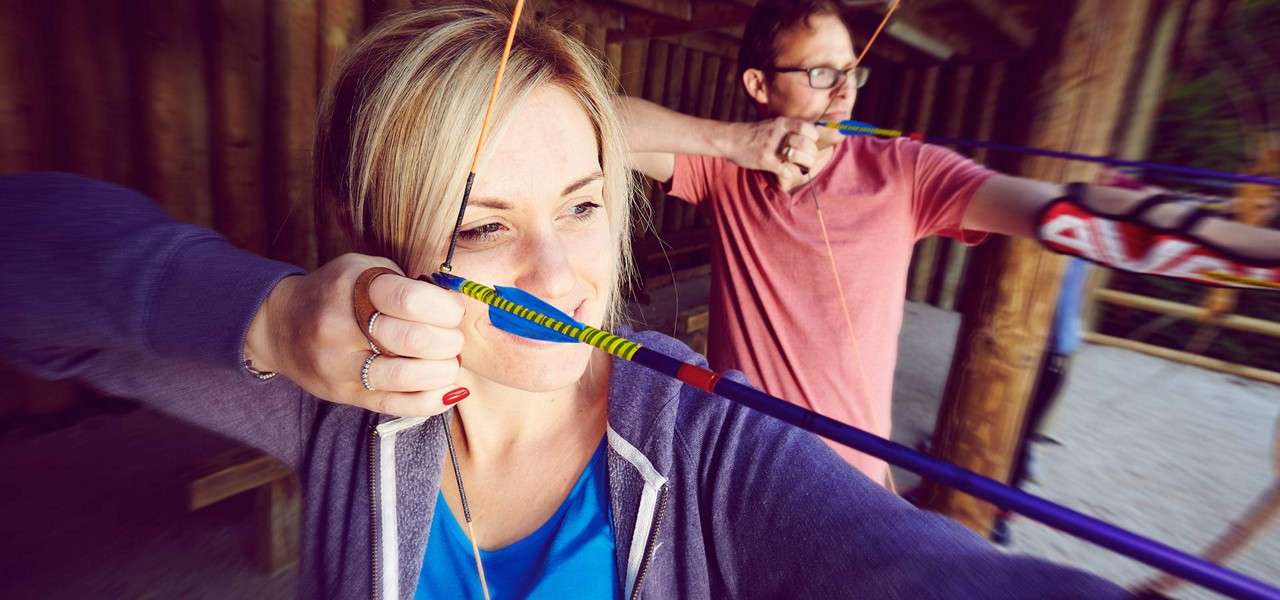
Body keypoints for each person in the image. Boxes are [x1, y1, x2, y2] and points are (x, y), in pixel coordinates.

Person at [0, 2, 1140, 599]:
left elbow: (917, 570)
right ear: (368, 243)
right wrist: (270, 319)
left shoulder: (706, 446)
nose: (560, 276)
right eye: (481, 225)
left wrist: (1178, 235)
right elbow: (26, 265)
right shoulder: (339, 397)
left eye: (585, 207)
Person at [617, 0, 1280, 484]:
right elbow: (599, 117)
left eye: (852, 71)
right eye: (821, 74)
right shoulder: (725, 171)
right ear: (760, 86)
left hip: (848, 479)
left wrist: (1241, 248)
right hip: (735, 459)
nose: (845, 91)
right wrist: (733, 142)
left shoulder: (905, 170)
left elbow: (1055, 209)